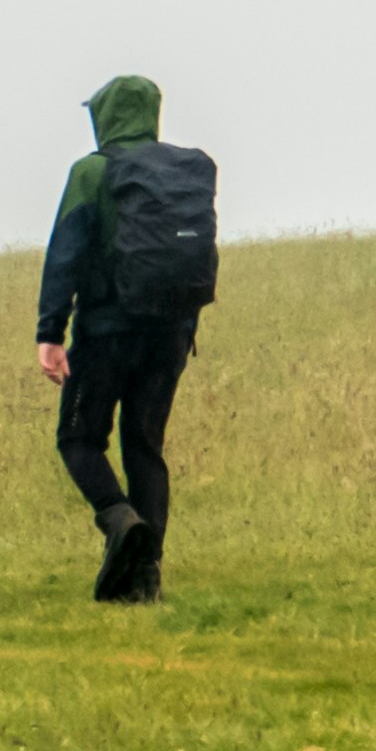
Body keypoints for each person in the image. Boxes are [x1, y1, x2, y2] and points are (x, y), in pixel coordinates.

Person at [34, 73, 216, 602]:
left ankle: (119, 520)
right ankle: (146, 579)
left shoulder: (91, 173)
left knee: (79, 438)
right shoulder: (183, 171)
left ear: (105, 116)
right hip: (172, 333)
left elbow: (65, 254)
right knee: (145, 446)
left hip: (107, 332)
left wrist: (50, 332)